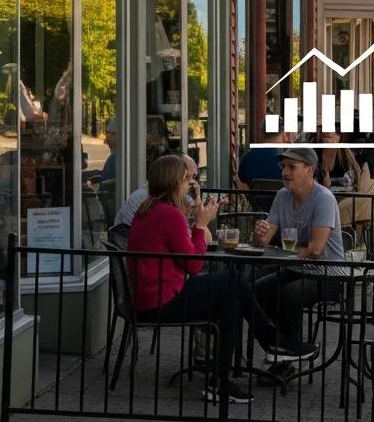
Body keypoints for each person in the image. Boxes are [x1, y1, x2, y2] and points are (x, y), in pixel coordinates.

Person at [127, 155, 297, 405]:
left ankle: (222, 380)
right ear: (173, 183)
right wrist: (201, 224)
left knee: (230, 299)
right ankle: (270, 342)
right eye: (187, 180)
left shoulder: (148, 210)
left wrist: (195, 221)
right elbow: (194, 265)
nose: (189, 185)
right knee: (232, 282)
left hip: (151, 296)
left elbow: (185, 256)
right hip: (162, 300)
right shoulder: (168, 214)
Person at [251, 147, 345, 359]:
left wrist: (282, 256)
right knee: (255, 290)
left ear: (310, 170)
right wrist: (259, 235)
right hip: (296, 268)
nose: (285, 172)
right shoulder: (282, 195)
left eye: (292, 167)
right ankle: (279, 345)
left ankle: (289, 350)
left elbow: (316, 248)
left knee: (288, 293)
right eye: (283, 166)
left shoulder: (324, 198)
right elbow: (263, 241)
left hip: (329, 273)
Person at [116, 153, 199, 227]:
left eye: (194, 177)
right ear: (171, 176)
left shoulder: (181, 199)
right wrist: (201, 224)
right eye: (186, 177)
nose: (192, 182)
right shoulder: (146, 201)